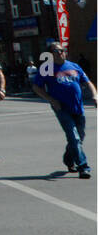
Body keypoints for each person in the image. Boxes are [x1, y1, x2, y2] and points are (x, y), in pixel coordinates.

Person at [31, 42, 94, 177]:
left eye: (62, 50)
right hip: (61, 108)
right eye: (56, 51)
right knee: (74, 137)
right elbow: (36, 87)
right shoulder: (46, 68)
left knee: (79, 136)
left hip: (78, 107)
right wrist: (52, 100)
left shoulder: (74, 66)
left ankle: (68, 159)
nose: (60, 53)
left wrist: (95, 95)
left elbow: (87, 82)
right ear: (50, 54)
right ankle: (83, 167)